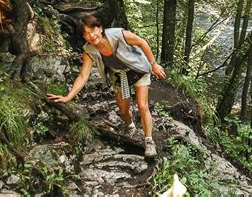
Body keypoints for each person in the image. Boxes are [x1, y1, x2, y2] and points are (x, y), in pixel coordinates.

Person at [47, 15, 166, 157]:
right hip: (119, 76)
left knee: (142, 105)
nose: (91, 35)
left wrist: (154, 64)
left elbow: (141, 42)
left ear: (100, 28)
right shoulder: (89, 50)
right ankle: (129, 125)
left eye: (93, 30)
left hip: (138, 69)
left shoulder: (118, 34)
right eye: (86, 33)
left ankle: (149, 141)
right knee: (123, 111)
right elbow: (84, 76)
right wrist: (68, 96)